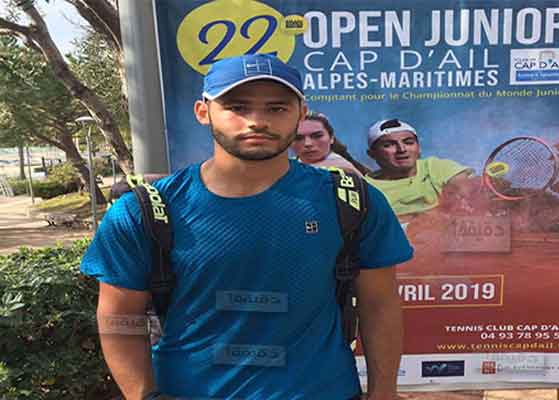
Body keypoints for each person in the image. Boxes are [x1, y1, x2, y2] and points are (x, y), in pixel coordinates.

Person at [81, 54, 413, 400]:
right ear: (203, 111)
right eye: (237, 107)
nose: (257, 121)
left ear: (301, 114)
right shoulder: (144, 211)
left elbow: (379, 304)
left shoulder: (352, 201)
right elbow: (120, 316)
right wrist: (143, 396)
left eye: (276, 108)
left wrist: (383, 393)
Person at [364, 118, 475, 217]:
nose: (402, 149)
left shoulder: (435, 167)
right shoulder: (366, 188)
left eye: (408, 142)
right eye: (389, 145)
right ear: (372, 154)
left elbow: (466, 193)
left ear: (419, 148)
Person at [291, 111, 366, 176]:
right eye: (298, 138)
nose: (308, 143)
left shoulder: (344, 171)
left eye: (317, 136)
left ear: (331, 138)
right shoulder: (288, 167)